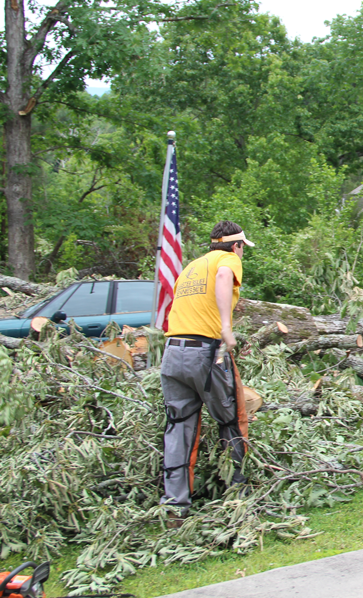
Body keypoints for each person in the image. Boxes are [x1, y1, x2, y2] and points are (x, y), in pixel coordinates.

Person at [159, 220, 255, 524]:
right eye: (243, 249)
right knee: (231, 420)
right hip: (206, 352)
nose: (241, 254)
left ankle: (175, 505)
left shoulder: (192, 267)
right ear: (236, 245)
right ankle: (237, 496)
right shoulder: (227, 260)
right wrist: (227, 329)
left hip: (173, 353)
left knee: (179, 426)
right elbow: (225, 275)